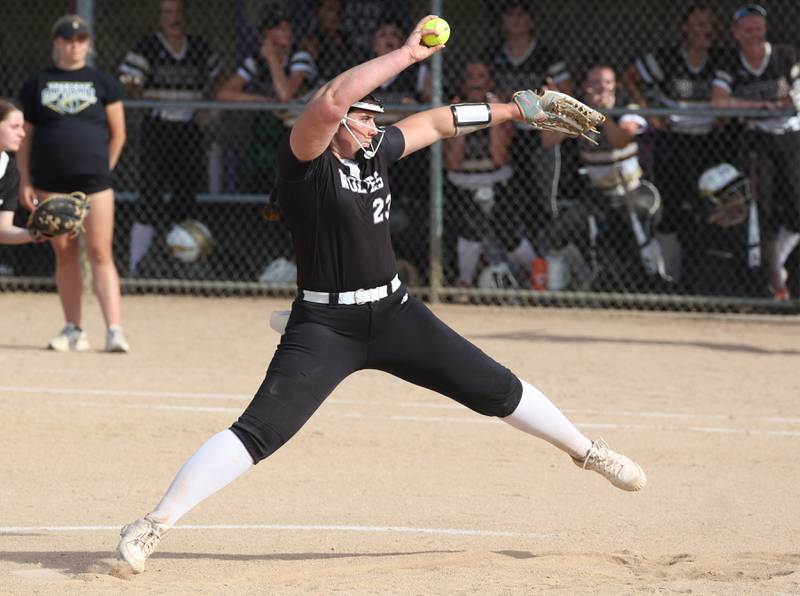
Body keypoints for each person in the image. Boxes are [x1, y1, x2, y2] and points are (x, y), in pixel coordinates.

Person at [115, 17, 646, 575]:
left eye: (375, 119)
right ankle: (151, 524)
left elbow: (438, 123)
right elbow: (328, 101)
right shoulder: (306, 166)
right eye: (364, 118)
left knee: (494, 386)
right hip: (326, 327)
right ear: (340, 120)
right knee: (261, 431)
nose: (374, 128)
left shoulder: (374, 151)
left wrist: (513, 112)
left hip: (394, 313)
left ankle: (587, 452)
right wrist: (408, 55)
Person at [17, 15, 129, 353]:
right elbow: (25, 137)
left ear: (88, 45)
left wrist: (103, 169)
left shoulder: (102, 82)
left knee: (99, 252)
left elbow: (118, 133)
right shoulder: (37, 83)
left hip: (94, 182)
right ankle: (73, 328)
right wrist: (24, 180)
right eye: (68, 39)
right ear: (56, 43)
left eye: (81, 39)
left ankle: (114, 330)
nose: (75, 45)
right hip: (50, 180)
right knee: (64, 253)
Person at [621, 4, 724, 290]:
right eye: (699, 25)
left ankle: (698, 280)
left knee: (705, 210)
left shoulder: (720, 60)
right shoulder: (667, 58)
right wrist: (649, 112)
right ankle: (669, 281)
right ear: (685, 29)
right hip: (673, 140)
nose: (707, 31)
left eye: (710, 25)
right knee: (670, 209)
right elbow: (630, 78)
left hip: (709, 141)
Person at [118, 0, 222, 276]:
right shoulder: (147, 46)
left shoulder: (200, 48)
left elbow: (218, 81)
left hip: (188, 128)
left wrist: (209, 112)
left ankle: (185, 262)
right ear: (160, 19)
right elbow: (129, 81)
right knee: (150, 195)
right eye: (168, 13)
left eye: (178, 12)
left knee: (186, 196)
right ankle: (135, 267)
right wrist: (132, 85)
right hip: (158, 126)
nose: (174, 18)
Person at [711, 4, 800, 300]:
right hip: (756, 141)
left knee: (797, 209)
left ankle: (780, 262)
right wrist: (764, 107)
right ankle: (774, 282)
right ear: (736, 33)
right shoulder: (729, 62)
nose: (754, 35)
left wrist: (746, 106)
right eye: (748, 30)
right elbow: (719, 103)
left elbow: (794, 99)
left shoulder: (786, 54)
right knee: (760, 212)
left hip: (790, 138)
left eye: (759, 29)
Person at [573, 65, 669, 291]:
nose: (601, 88)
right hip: (597, 193)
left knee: (634, 218)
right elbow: (549, 141)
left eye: (607, 82)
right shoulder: (577, 107)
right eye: (595, 83)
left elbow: (621, 141)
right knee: (571, 227)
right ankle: (597, 283)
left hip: (633, 189)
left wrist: (604, 117)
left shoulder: (627, 104)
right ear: (586, 86)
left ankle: (656, 281)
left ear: (614, 84)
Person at [486, 0, 573, 245]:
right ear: (502, 21)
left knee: (542, 196)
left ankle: (546, 250)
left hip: (538, 133)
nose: (515, 20)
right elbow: (486, 89)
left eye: (521, 14)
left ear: (531, 21)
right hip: (506, 132)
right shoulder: (494, 54)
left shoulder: (546, 56)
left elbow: (565, 94)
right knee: (509, 193)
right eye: (510, 14)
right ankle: (515, 250)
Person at [443, 60, 533, 287]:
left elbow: (498, 158)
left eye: (480, 76)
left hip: (497, 182)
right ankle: (464, 281)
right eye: (470, 76)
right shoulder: (452, 109)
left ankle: (538, 275)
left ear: (489, 82)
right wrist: (459, 116)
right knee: (471, 228)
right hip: (463, 183)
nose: (475, 81)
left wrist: (494, 115)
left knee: (508, 232)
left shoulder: (503, 109)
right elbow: (452, 163)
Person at [0, 99, 38, 245]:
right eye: (14, 127)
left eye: (22, 127)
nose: (22, 134)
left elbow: (2, 230)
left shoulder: (9, 169)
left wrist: (36, 232)